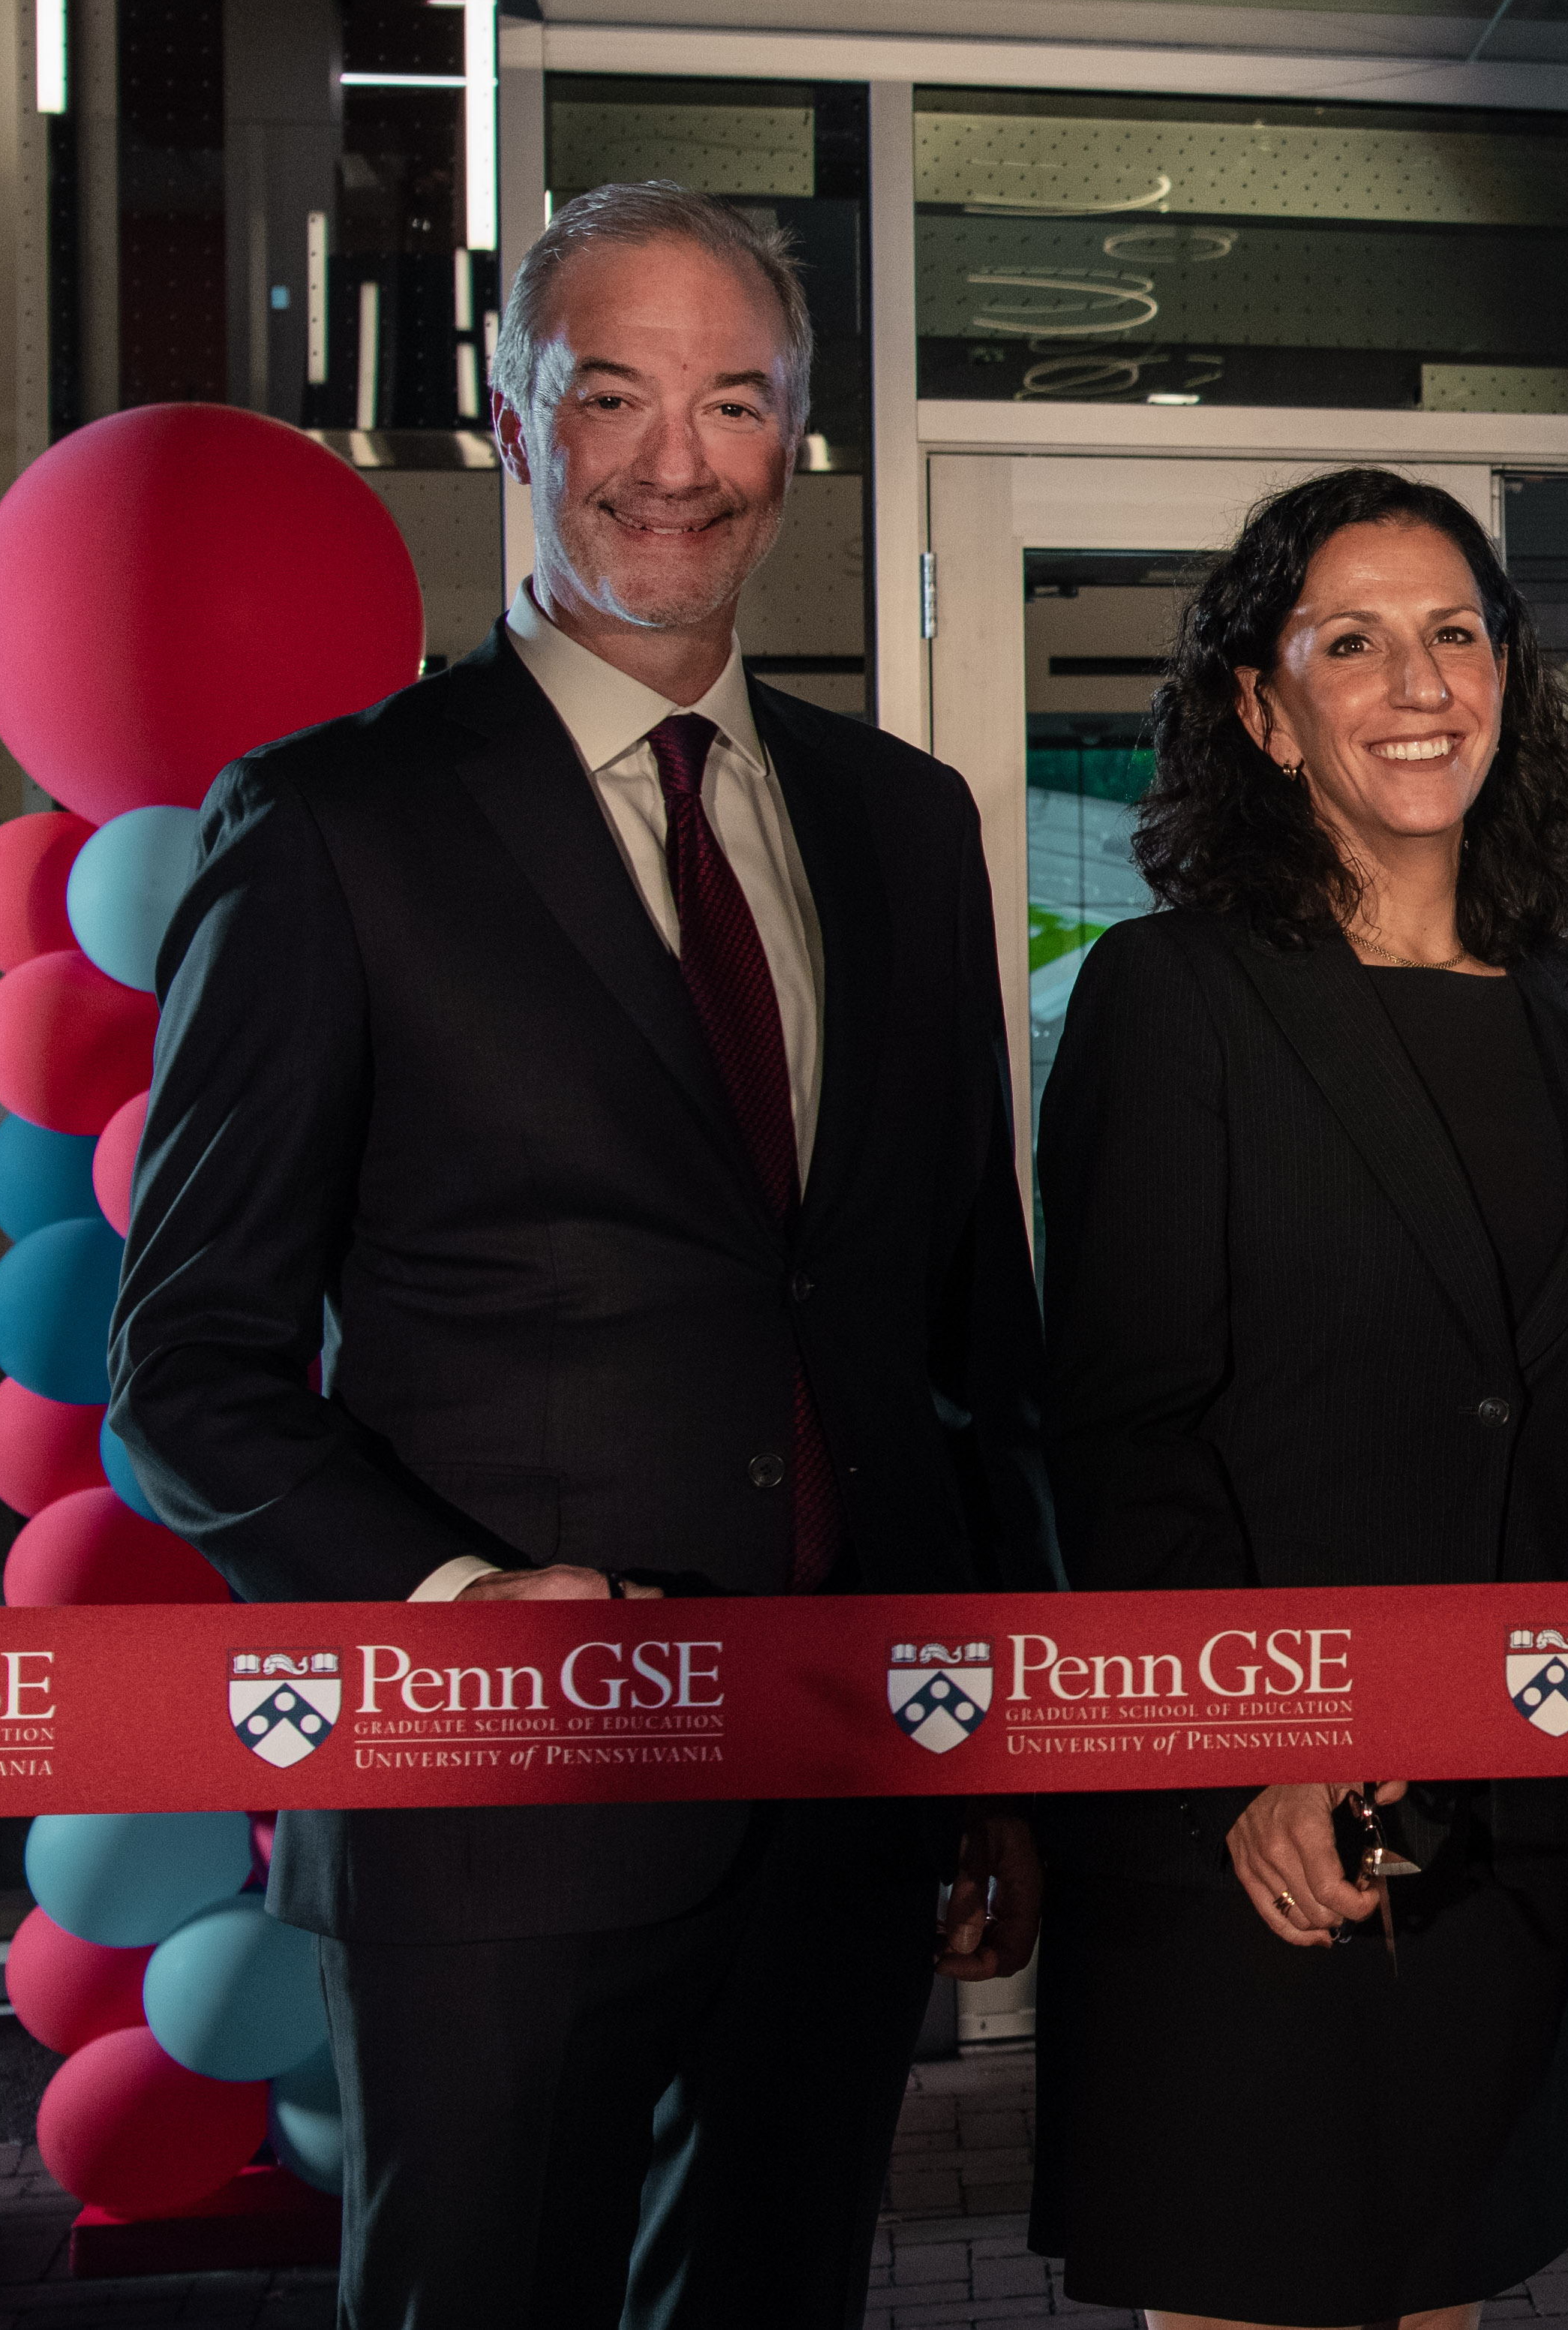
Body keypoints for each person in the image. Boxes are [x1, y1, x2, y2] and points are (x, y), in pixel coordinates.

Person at [108, 182, 1056, 2328]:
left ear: (794, 448)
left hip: (836, 1786)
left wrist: (987, 1749)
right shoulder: (336, 820)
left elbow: (962, 1338)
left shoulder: (903, 826)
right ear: (517, 420)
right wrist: (450, 1607)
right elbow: (191, 1367)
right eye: (614, 391)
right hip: (496, 1809)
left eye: (736, 400)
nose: (676, 456)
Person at [1023, 468, 1568, 2330]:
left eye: (1453, 631)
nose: (1417, 681)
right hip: (1255, 1820)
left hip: (1502, 1804)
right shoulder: (1170, 997)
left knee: (1437, 2297)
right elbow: (1116, 1423)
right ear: (1260, 706)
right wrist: (1242, 1747)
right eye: (1351, 640)